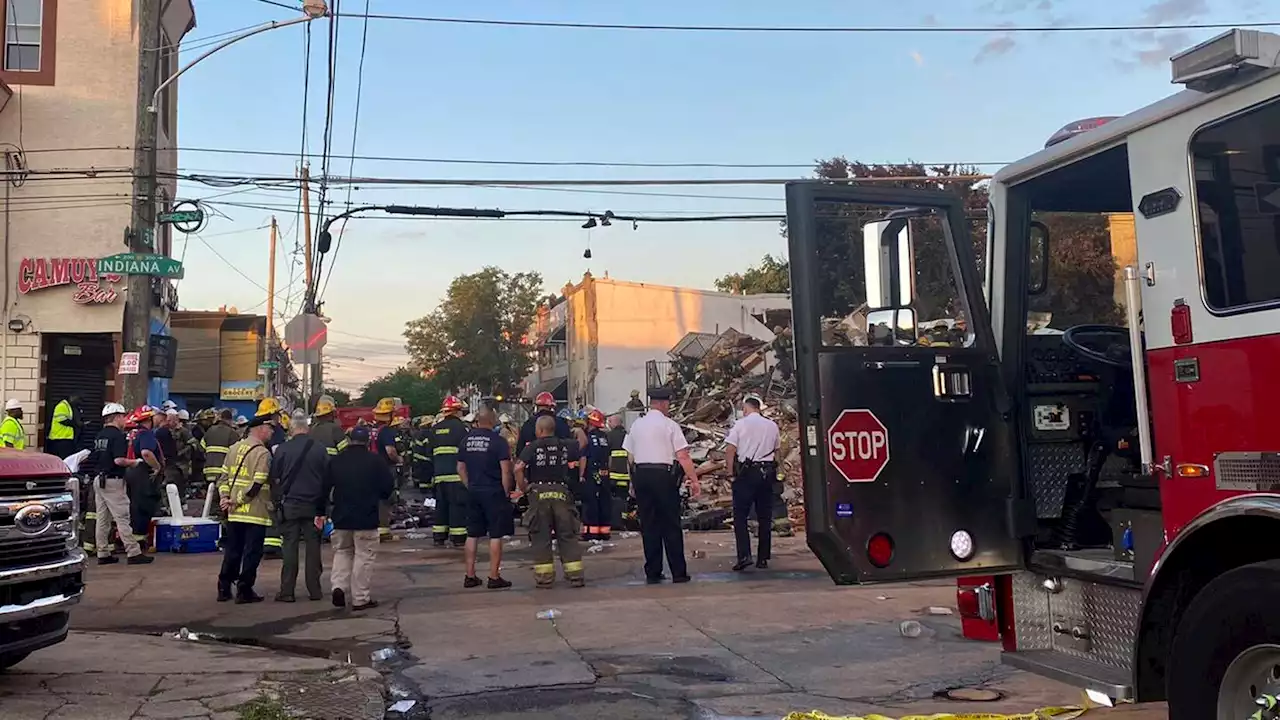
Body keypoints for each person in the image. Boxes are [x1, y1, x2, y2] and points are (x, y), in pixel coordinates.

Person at [623, 387, 701, 584]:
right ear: (664, 403)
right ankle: (678, 573)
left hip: (641, 476)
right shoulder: (670, 425)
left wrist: (632, 482)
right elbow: (682, 455)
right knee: (671, 525)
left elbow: (629, 456)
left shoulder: (637, 425)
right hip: (663, 477)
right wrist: (693, 479)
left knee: (649, 525)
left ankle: (653, 570)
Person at [323, 425, 395, 610]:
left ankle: (338, 586)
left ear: (349, 440)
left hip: (341, 517)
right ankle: (360, 598)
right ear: (367, 442)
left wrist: (322, 511)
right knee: (364, 556)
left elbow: (324, 487)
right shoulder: (375, 461)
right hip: (366, 517)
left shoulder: (337, 461)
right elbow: (387, 487)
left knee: (342, 552)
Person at [516, 415, 585, 588]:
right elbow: (582, 444)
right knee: (567, 535)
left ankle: (545, 578)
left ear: (539, 430)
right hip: (561, 492)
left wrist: (523, 486)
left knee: (541, 536)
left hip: (539, 493)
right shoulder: (565, 445)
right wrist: (578, 430)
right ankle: (575, 575)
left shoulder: (532, 446)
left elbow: (518, 467)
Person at [216, 408, 277, 603]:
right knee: (252, 553)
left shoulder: (233, 448)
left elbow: (223, 478)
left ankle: (224, 588)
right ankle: (244, 589)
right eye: (270, 428)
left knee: (233, 551)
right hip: (255, 512)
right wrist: (239, 499)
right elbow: (257, 484)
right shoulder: (262, 453)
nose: (272, 433)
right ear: (260, 429)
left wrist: (225, 498)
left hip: (234, 513)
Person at [269, 409, 328, 602]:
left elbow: (274, 478)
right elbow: (327, 479)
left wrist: (277, 501)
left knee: (290, 548)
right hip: (314, 506)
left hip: (290, 506)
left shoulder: (283, 449)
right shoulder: (320, 449)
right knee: (313, 549)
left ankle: (287, 591)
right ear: (308, 428)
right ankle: (315, 590)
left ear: (291, 429)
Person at [91, 403, 153, 566]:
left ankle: (103, 553)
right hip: (113, 481)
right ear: (117, 417)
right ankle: (133, 552)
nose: (125, 420)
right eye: (123, 417)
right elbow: (118, 460)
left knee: (102, 519)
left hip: (99, 479)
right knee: (123, 518)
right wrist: (134, 462)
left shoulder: (100, 436)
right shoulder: (118, 436)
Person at [458, 409, 514, 589]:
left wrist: (469, 485)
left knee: (472, 534)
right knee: (495, 534)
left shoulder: (466, 441)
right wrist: (506, 492)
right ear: (492, 421)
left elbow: (460, 468)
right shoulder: (498, 442)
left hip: (474, 490)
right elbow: (505, 470)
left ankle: (470, 575)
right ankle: (494, 576)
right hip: (493, 491)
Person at [723, 396, 781, 571]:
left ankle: (744, 556)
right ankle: (763, 558)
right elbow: (777, 452)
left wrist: (730, 472)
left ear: (746, 408)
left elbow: (730, 450)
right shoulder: (772, 425)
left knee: (740, 516)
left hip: (746, 474)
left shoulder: (740, 425)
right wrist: (778, 472)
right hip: (767, 473)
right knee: (765, 516)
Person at [428, 396, 470, 547]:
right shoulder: (462, 428)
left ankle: (439, 536)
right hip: (456, 476)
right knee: (457, 507)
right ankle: (458, 538)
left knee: (441, 506)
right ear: (457, 411)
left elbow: (429, 454)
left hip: (439, 476)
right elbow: (467, 452)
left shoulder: (434, 429)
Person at [126, 406, 164, 550]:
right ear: (149, 419)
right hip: (142, 473)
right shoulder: (146, 434)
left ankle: (134, 540)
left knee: (133, 507)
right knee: (143, 508)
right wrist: (157, 467)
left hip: (130, 472)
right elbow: (146, 452)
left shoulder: (132, 433)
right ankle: (140, 543)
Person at [580, 409, 613, 541]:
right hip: (604, 473)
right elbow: (609, 457)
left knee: (590, 503)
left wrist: (581, 475)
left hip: (591, 473)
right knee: (604, 502)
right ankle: (604, 532)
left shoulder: (588, 439)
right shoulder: (605, 438)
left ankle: (590, 532)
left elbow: (584, 458)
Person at [516, 392, 570, 457]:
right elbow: (569, 446)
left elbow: (520, 450)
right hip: (559, 462)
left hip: (534, 463)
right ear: (552, 407)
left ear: (536, 407)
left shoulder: (528, 423)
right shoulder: (562, 423)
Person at [606, 415, 631, 531]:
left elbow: (608, 457)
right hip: (626, 476)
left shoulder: (609, 436)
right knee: (624, 499)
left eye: (609, 422)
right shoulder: (628, 436)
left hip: (613, 476)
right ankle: (624, 521)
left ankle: (615, 522)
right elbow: (631, 458)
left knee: (613, 499)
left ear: (613, 423)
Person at [46, 394, 80, 459]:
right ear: (71, 397)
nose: (78, 401)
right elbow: (62, 420)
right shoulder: (62, 406)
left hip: (65, 439)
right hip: (60, 439)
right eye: (77, 398)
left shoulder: (69, 406)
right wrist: (77, 424)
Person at [410, 415, 434, 497]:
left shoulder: (418, 433)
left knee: (422, 480)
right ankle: (427, 497)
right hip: (425, 460)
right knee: (426, 480)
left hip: (418, 459)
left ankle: (422, 495)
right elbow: (428, 448)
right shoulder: (428, 434)